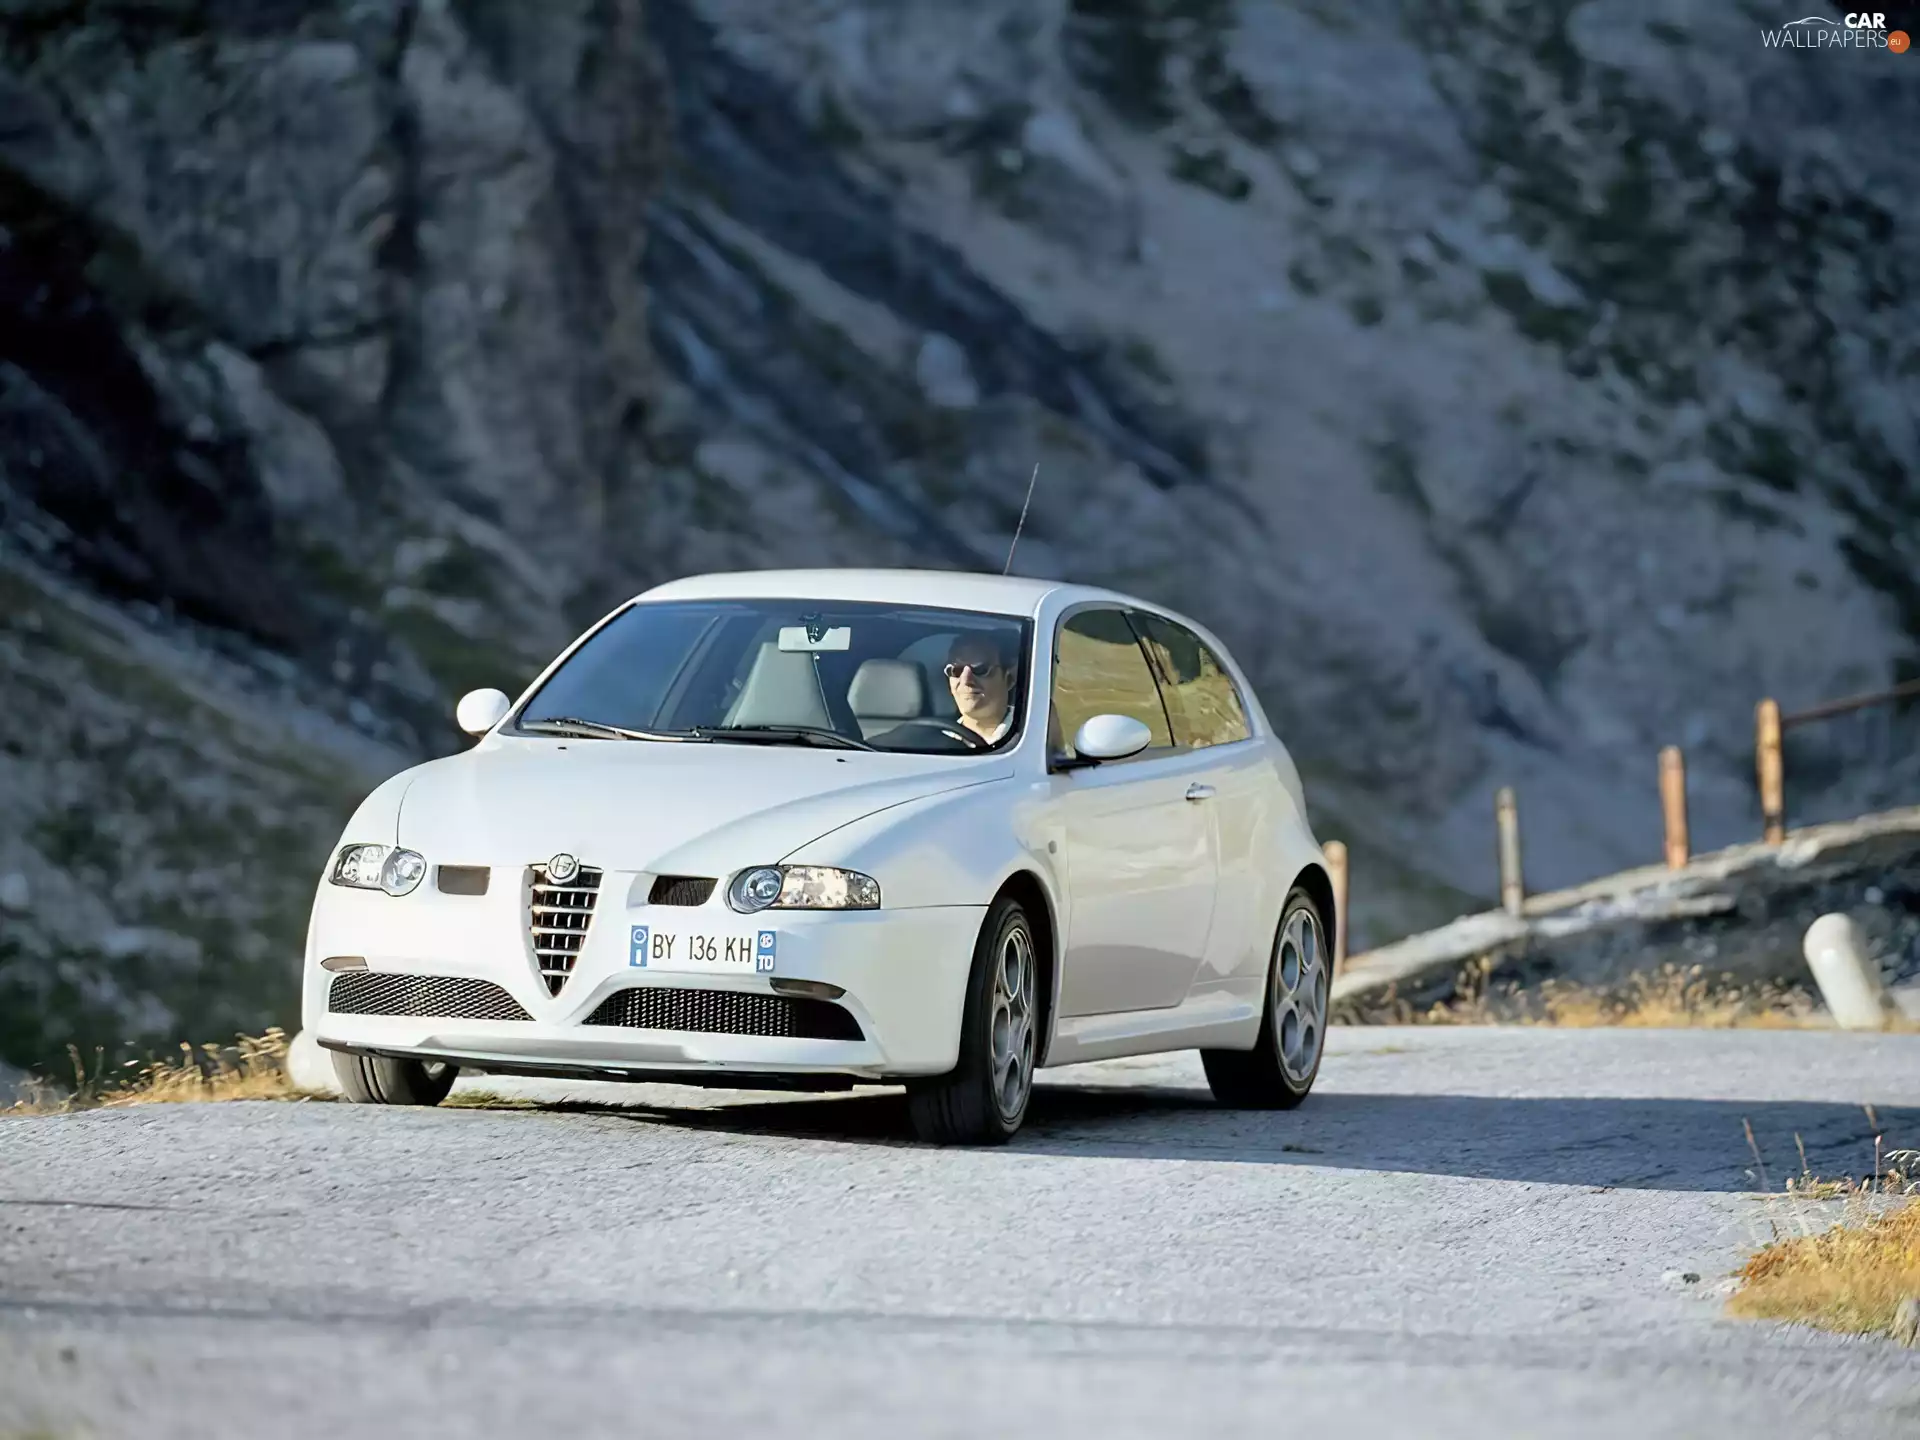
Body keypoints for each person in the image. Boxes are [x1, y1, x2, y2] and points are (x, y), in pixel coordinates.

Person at [944, 634, 1016, 745]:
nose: (965, 679)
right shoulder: (937, 743)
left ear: (1008, 680)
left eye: (980, 668)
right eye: (956, 671)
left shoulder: (1036, 733)